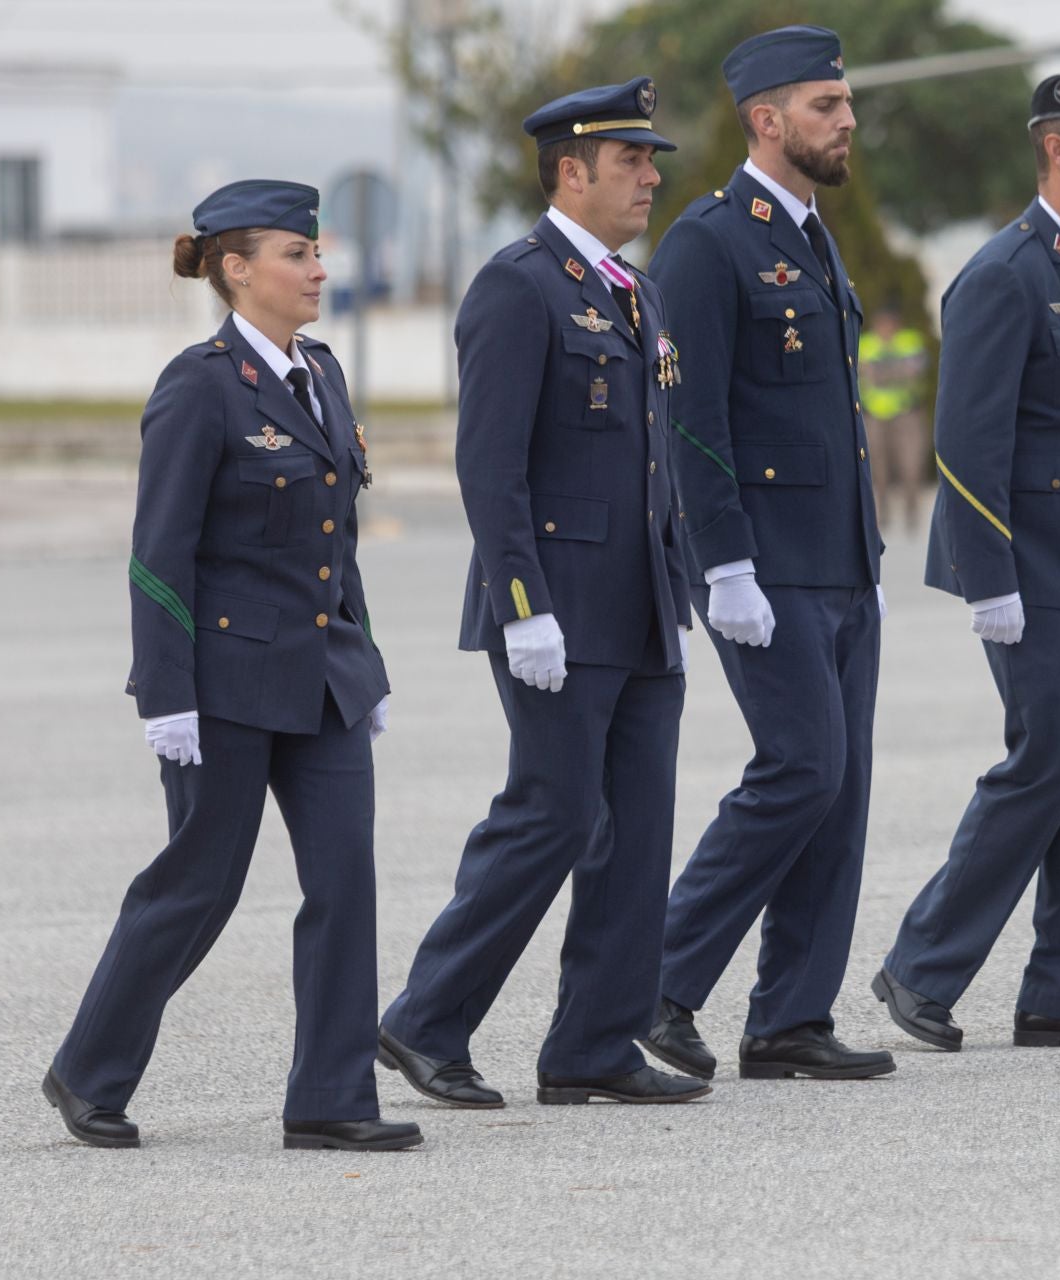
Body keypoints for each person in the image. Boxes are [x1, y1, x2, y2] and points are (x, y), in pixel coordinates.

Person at [45, 180, 419, 1151]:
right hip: (225, 685)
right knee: (198, 883)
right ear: (237, 268)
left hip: (326, 679)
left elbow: (334, 541)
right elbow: (158, 550)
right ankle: (89, 1069)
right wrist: (165, 693)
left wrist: (364, 658)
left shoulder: (323, 373)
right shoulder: (200, 386)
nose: (318, 269)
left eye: (317, 251)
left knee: (346, 877)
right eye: (297, 253)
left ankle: (332, 1098)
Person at [377, 78, 709, 1109]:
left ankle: (593, 1044)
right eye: (631, 162)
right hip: (557, 609)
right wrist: (523, 603)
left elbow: (651, 455)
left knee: (638, 828)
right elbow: (491, 467)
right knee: (555, 813)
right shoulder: (518, 287)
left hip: (642, 604)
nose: (651, 178)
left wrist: (685, 578)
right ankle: (426, 1018)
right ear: (572, 170)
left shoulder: (635, 289)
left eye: (652, 162)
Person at [873, 73, 1060, 1053]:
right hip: (1037, 574)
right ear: (1057, 150)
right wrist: (989, 578)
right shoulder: (1005, 272)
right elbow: (964, 440)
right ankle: (922, 965)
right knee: (1047, 762)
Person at [644, 26, 892, 1081]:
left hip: (842, 558)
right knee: (801, 767)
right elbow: (689, 417)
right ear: (766, 120)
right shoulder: (709, 241)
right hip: (765, 563)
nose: (847, 122)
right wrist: (725, 562)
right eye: (827, 105)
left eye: (846, 104)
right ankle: (652, 985)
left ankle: (791, 1016)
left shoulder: (813, 233)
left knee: (842, 787)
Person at [858, 304, 931, 533]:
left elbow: (915, 369)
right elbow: (864, 371)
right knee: (877, 468)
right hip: (875, 414)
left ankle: (911, 513)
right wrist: (895, 371)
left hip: (906, 412)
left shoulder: (909, 341)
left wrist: (881, 372)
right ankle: (882, 515)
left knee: (911, 466)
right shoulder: (866, 343)